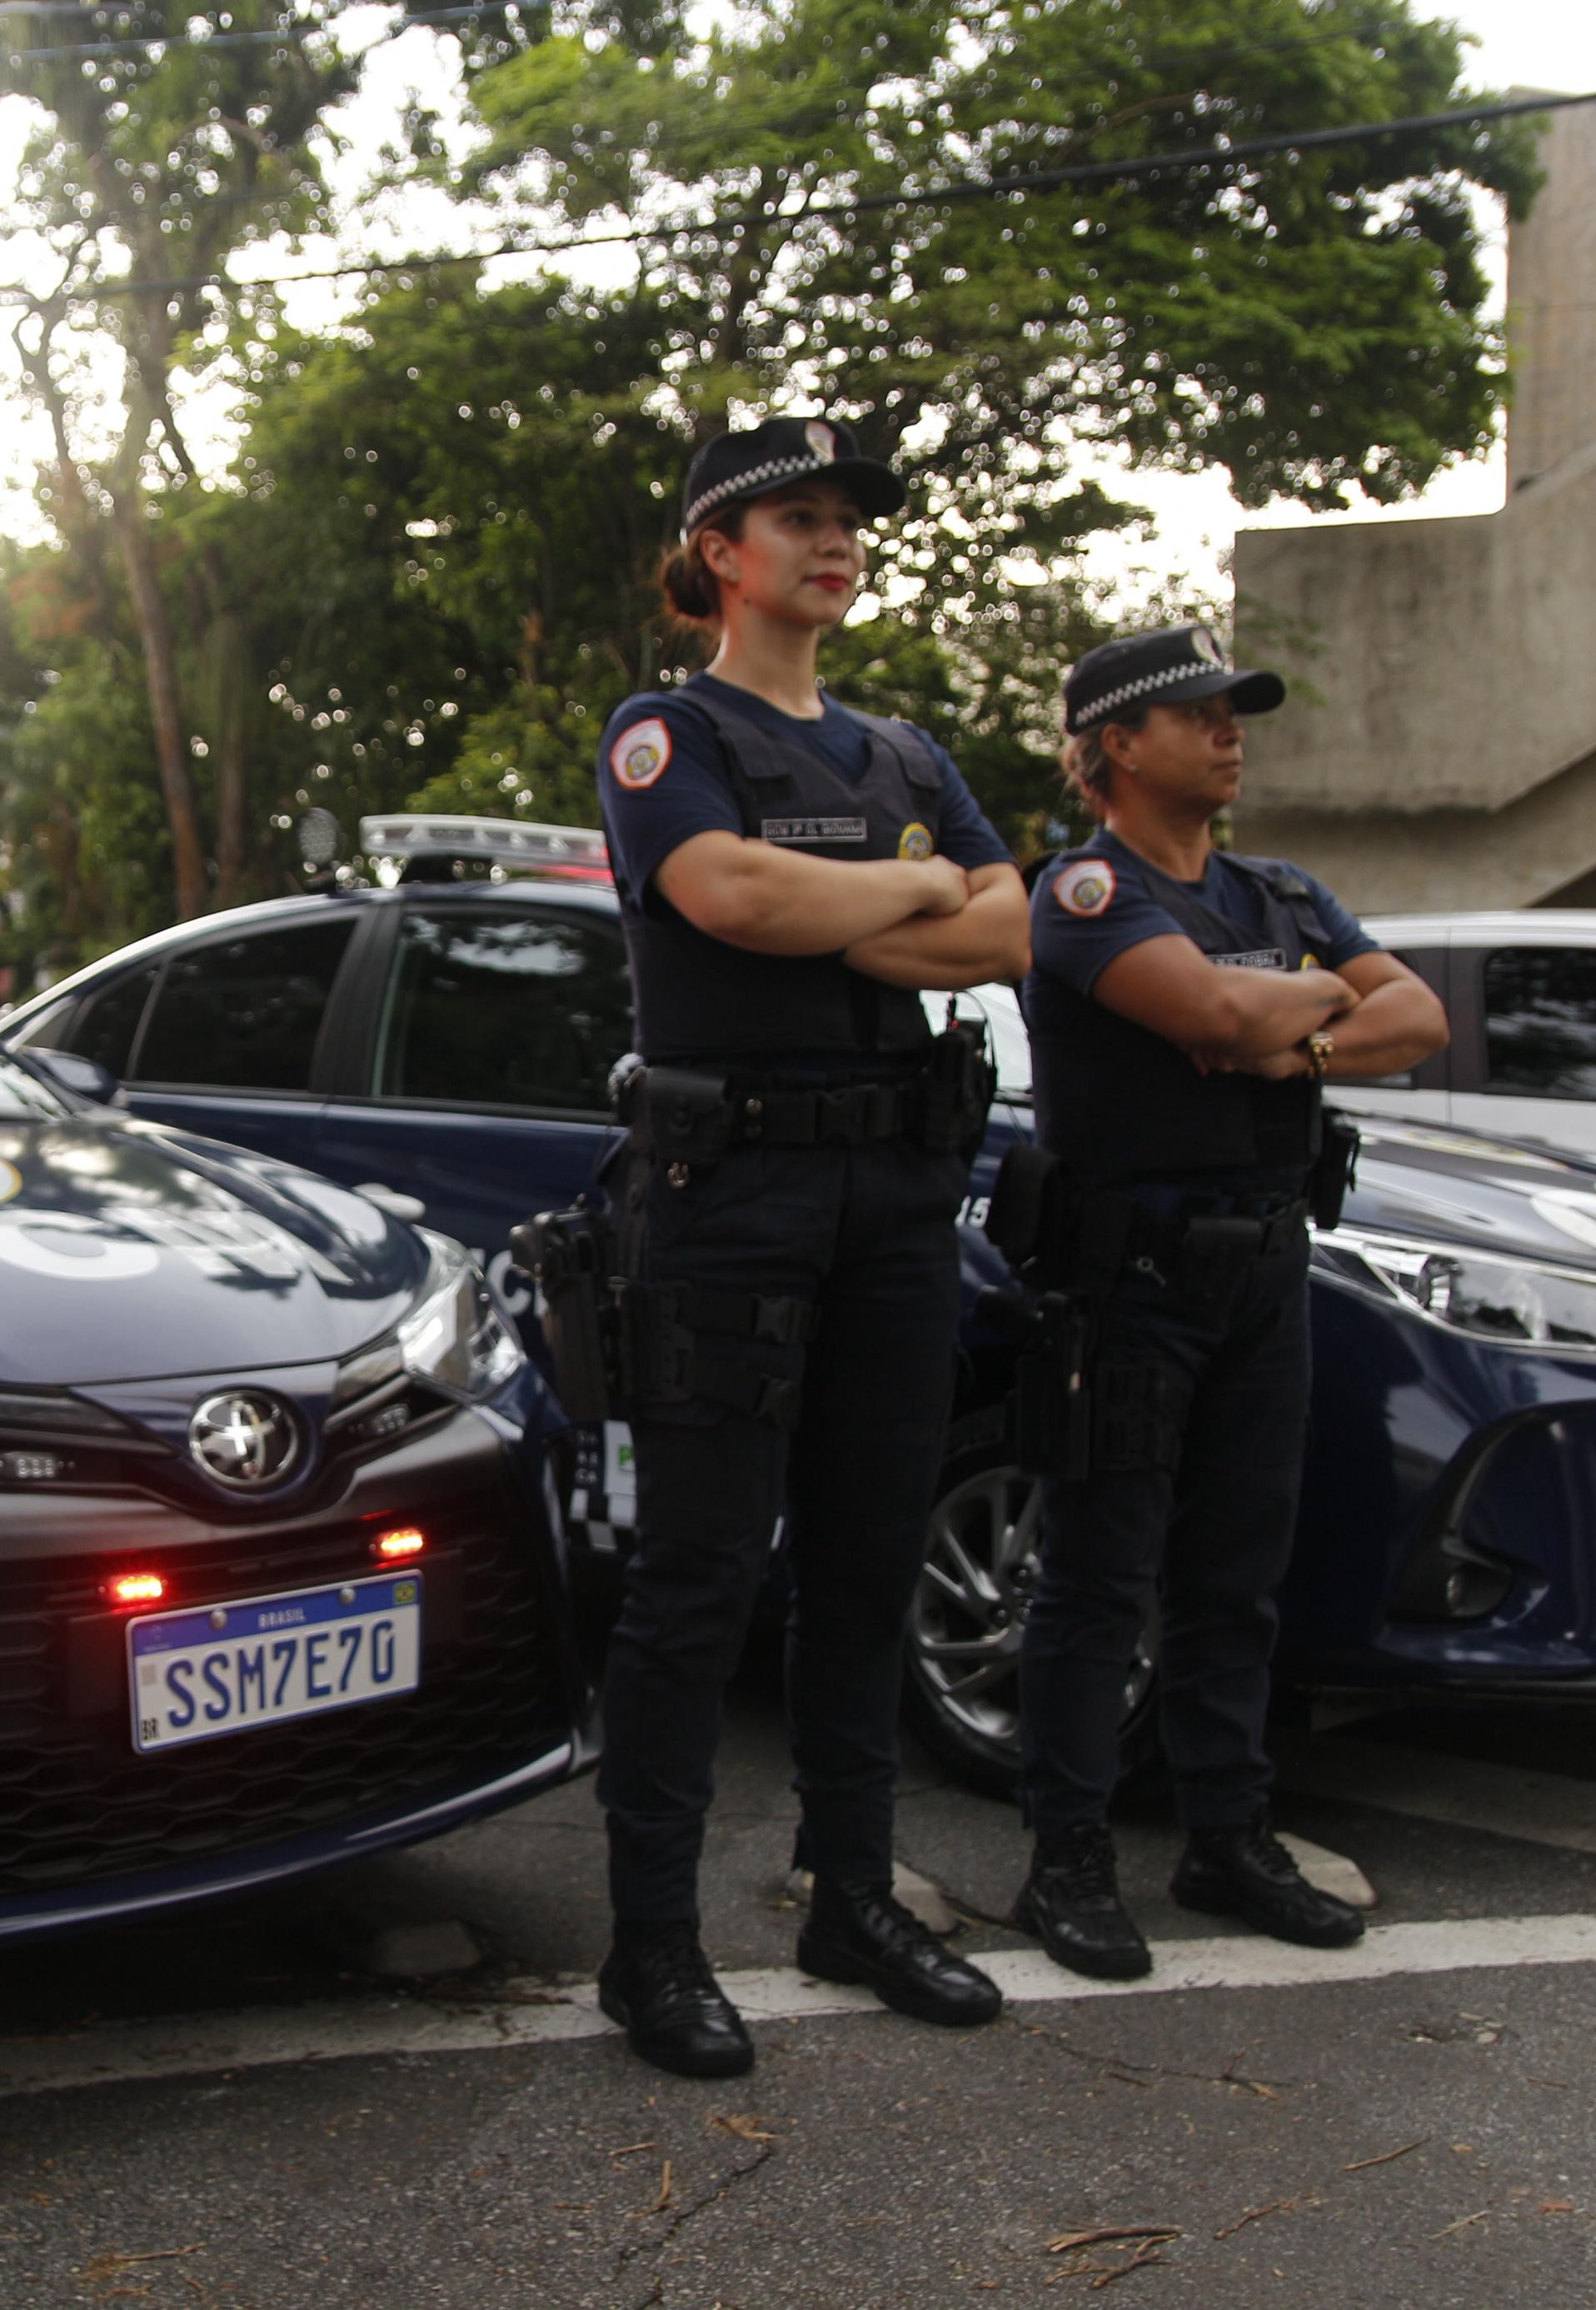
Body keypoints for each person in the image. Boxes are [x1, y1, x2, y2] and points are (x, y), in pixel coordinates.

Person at [586, 415, 1032, 2079]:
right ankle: (651, 1947)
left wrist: (871, 893)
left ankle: (853, 1896)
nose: (835, 542)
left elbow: (1013, 928)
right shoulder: (664, 729)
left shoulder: (904, 754)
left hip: (899, 1204)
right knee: (699, 1579)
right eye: (799, 517)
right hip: (729, 1198)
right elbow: (731, 905)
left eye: (849, 520)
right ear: (719, 550)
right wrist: (908, 902)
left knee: (863, 1563)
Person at [1003, 626, 1449, 1979]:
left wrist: (1283, 1031)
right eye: (1198, 713)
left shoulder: (1283, 889)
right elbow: (1200, 1010)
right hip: (1132, 1284)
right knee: (1097, 1578)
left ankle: (1225, 1834)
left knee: (1236, 1578)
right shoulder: (1084, 892)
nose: (1231, 729)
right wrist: (1281, 1014)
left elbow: (1417, 1017)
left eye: (1235, 710)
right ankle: (1066, 1859)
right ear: (1116, 747)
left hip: (1264, 1267)